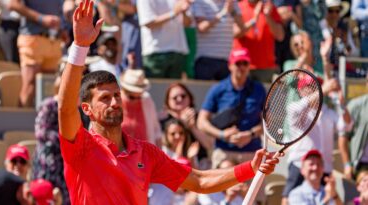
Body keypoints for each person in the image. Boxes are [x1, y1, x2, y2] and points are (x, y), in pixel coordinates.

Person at [57, 1, 279, 204]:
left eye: (117, 95)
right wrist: (80, 47)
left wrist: (250, 168)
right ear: (87, 109)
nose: (114, 102)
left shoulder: (145, 153)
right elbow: (65, 108)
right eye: (105, 98)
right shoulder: (81, 146)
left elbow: (199, 181)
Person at [282, 77, 353, 204]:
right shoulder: (295, 107)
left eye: (318, 86)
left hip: (324, 166)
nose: (317, 90)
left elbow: (347, 125)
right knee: (288, 199)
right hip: (300, 164)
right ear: (301, 91)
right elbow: (296, 110)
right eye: (312, 87)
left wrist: (342, 104)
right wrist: (323, 90)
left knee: (330, 198)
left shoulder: (328, 112)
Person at [197, 47, 266, 169]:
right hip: (225, 152)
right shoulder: (218, 89)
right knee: (227, 177)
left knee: (255, 188)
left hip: (252, 152)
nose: (241, 67)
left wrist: (250, 134)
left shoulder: (258, 89)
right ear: (230, 66)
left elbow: (269, 122)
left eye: (245, 63)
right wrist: (222, 134)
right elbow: (201, 122)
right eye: (238, 63)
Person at [9, 0, 69, 107]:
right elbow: (13, 4)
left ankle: (47, 122)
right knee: (29, 85)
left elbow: (60, 8)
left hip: (55, 40)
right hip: (32, 39)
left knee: (49, 86)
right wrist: (41, 18)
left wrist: (63, 28)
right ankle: (20, 122)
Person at [33, 71, 70, 205]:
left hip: (65, 159)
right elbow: (41, 132)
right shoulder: (49, 104)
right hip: (49, 159)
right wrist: (65, 140)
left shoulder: (75, 109)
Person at [160, 82, 214, 167]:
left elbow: (210, 145)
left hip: (199, 164)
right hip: (171, 164)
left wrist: (192, 127)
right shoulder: (163, 120)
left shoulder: (199, 117)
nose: (179, 99)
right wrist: (180, 123)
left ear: (190, 98)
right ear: (168, 101)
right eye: (175, 97)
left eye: (183, 96)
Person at [191, 0, 246, 80]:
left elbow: (242, 28)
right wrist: (223, 13)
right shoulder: (200, 2)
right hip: (205, 60)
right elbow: (202, 27)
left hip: (226, 61)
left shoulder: (232, 3)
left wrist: (232, 11)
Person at [136, 0, 191, 78]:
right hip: (156, 53)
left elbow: (188, 24)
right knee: (156, 89)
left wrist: (184, 12)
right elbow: (148, 23)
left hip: (178, 52)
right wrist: (174, 13)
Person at [233, 0, 285, 82]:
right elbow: (235, 33)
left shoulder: (270, 8)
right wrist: (254, 19)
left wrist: (268, 16)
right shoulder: (239, 6)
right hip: (242, 65)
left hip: (266, 68)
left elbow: (280, 36)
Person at [120, 69, 162, 145]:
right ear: (123, 91)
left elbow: (156, 131)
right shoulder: (114, 103)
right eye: (131, 97)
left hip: (144, 154)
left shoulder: (146, 99)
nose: (136, 100)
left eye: (139, 97)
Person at [338, 74, 368, 180]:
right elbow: (343, 137)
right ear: (366, 83)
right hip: (363, 165)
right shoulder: (356, 105)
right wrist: (347, 164)